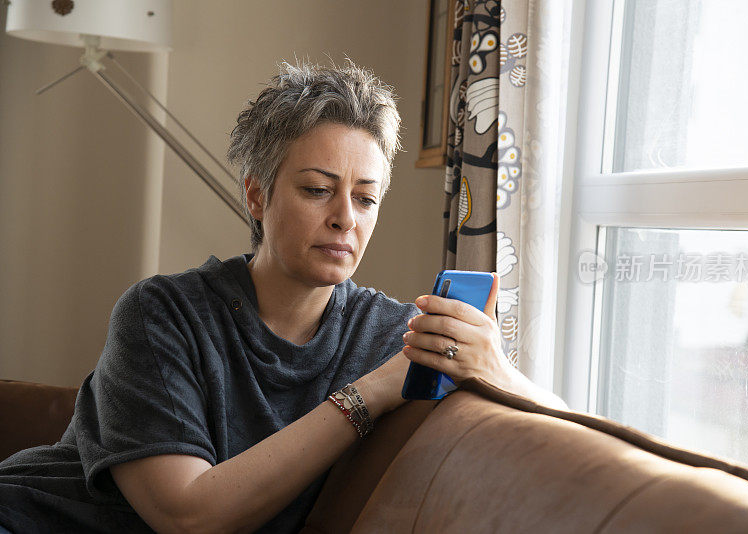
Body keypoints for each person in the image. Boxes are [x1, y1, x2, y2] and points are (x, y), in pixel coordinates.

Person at [0, 60, 564, 533]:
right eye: (318, 190)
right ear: (256, 195)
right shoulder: (160, 314)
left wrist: (498, 371)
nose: (345, 218)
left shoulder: (396, 336)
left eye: (366, 200)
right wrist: (372, 393)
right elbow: (187, 517)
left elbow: (572, 435)